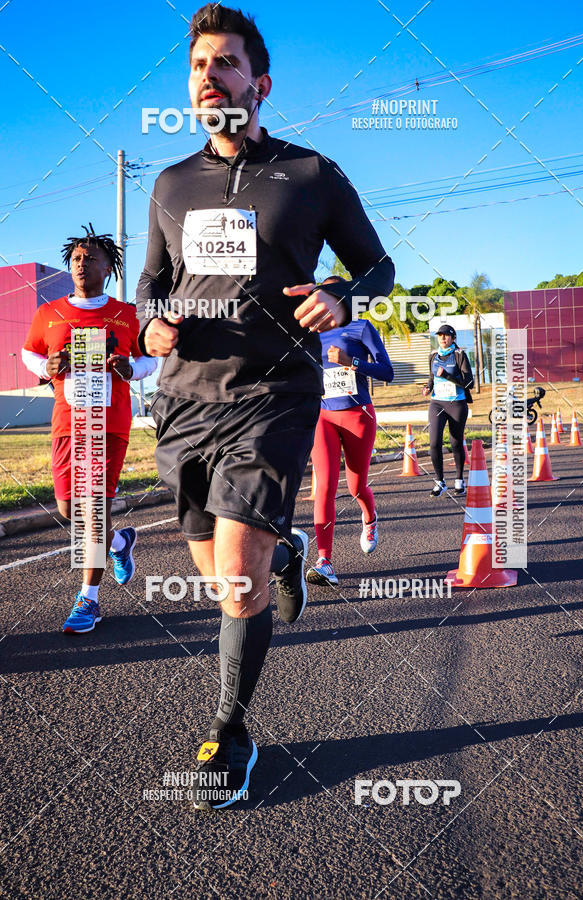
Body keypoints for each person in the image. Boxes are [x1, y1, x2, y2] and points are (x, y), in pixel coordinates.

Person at [135, 4, 394, 810]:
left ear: (260, 82)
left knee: (235, 585)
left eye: (226, 63)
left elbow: (378, 265)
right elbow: (150, 281)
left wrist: (342, 298)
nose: (209, 75)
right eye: (198, 65)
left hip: (275, 394)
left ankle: (229, 732)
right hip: (184, 399)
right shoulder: (170, 183)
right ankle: (284, 555)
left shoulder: (312, 173)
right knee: (221, 579)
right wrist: (149, 321)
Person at [21, 224, 157, 633]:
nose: (82, 264)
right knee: (69, 511)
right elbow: (30, 354)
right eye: (77, 258)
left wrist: (133, 369)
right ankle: (120, 543)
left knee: (92, 511)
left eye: (91, 258)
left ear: (107, 267)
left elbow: (154, 361)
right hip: (67, 423)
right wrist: (46, 368)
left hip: (110, 424)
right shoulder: (49, 313)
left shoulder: (127, 314)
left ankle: (89, 600)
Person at [307, 280, 394, 587]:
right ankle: (324, 561)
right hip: (323, 417)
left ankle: (369, 518)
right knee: (326, 486)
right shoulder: (310, 330)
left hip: (358, 415)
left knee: (356, 487)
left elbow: (388, 371)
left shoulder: (360, 327)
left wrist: (353, 362)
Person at [422, 324, 473, 497]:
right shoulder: (433, 355)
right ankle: (440, 481)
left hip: (456, 404)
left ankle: (459, 479)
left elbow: (469, 383)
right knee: (434, 442)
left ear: (453, 338)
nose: (443, 338)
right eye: (440, 335)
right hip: (437, 403)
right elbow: (431, 376)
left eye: (446, 335)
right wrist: (428, 387)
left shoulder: (459, 355)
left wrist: (447, 376)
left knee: (456, 441)